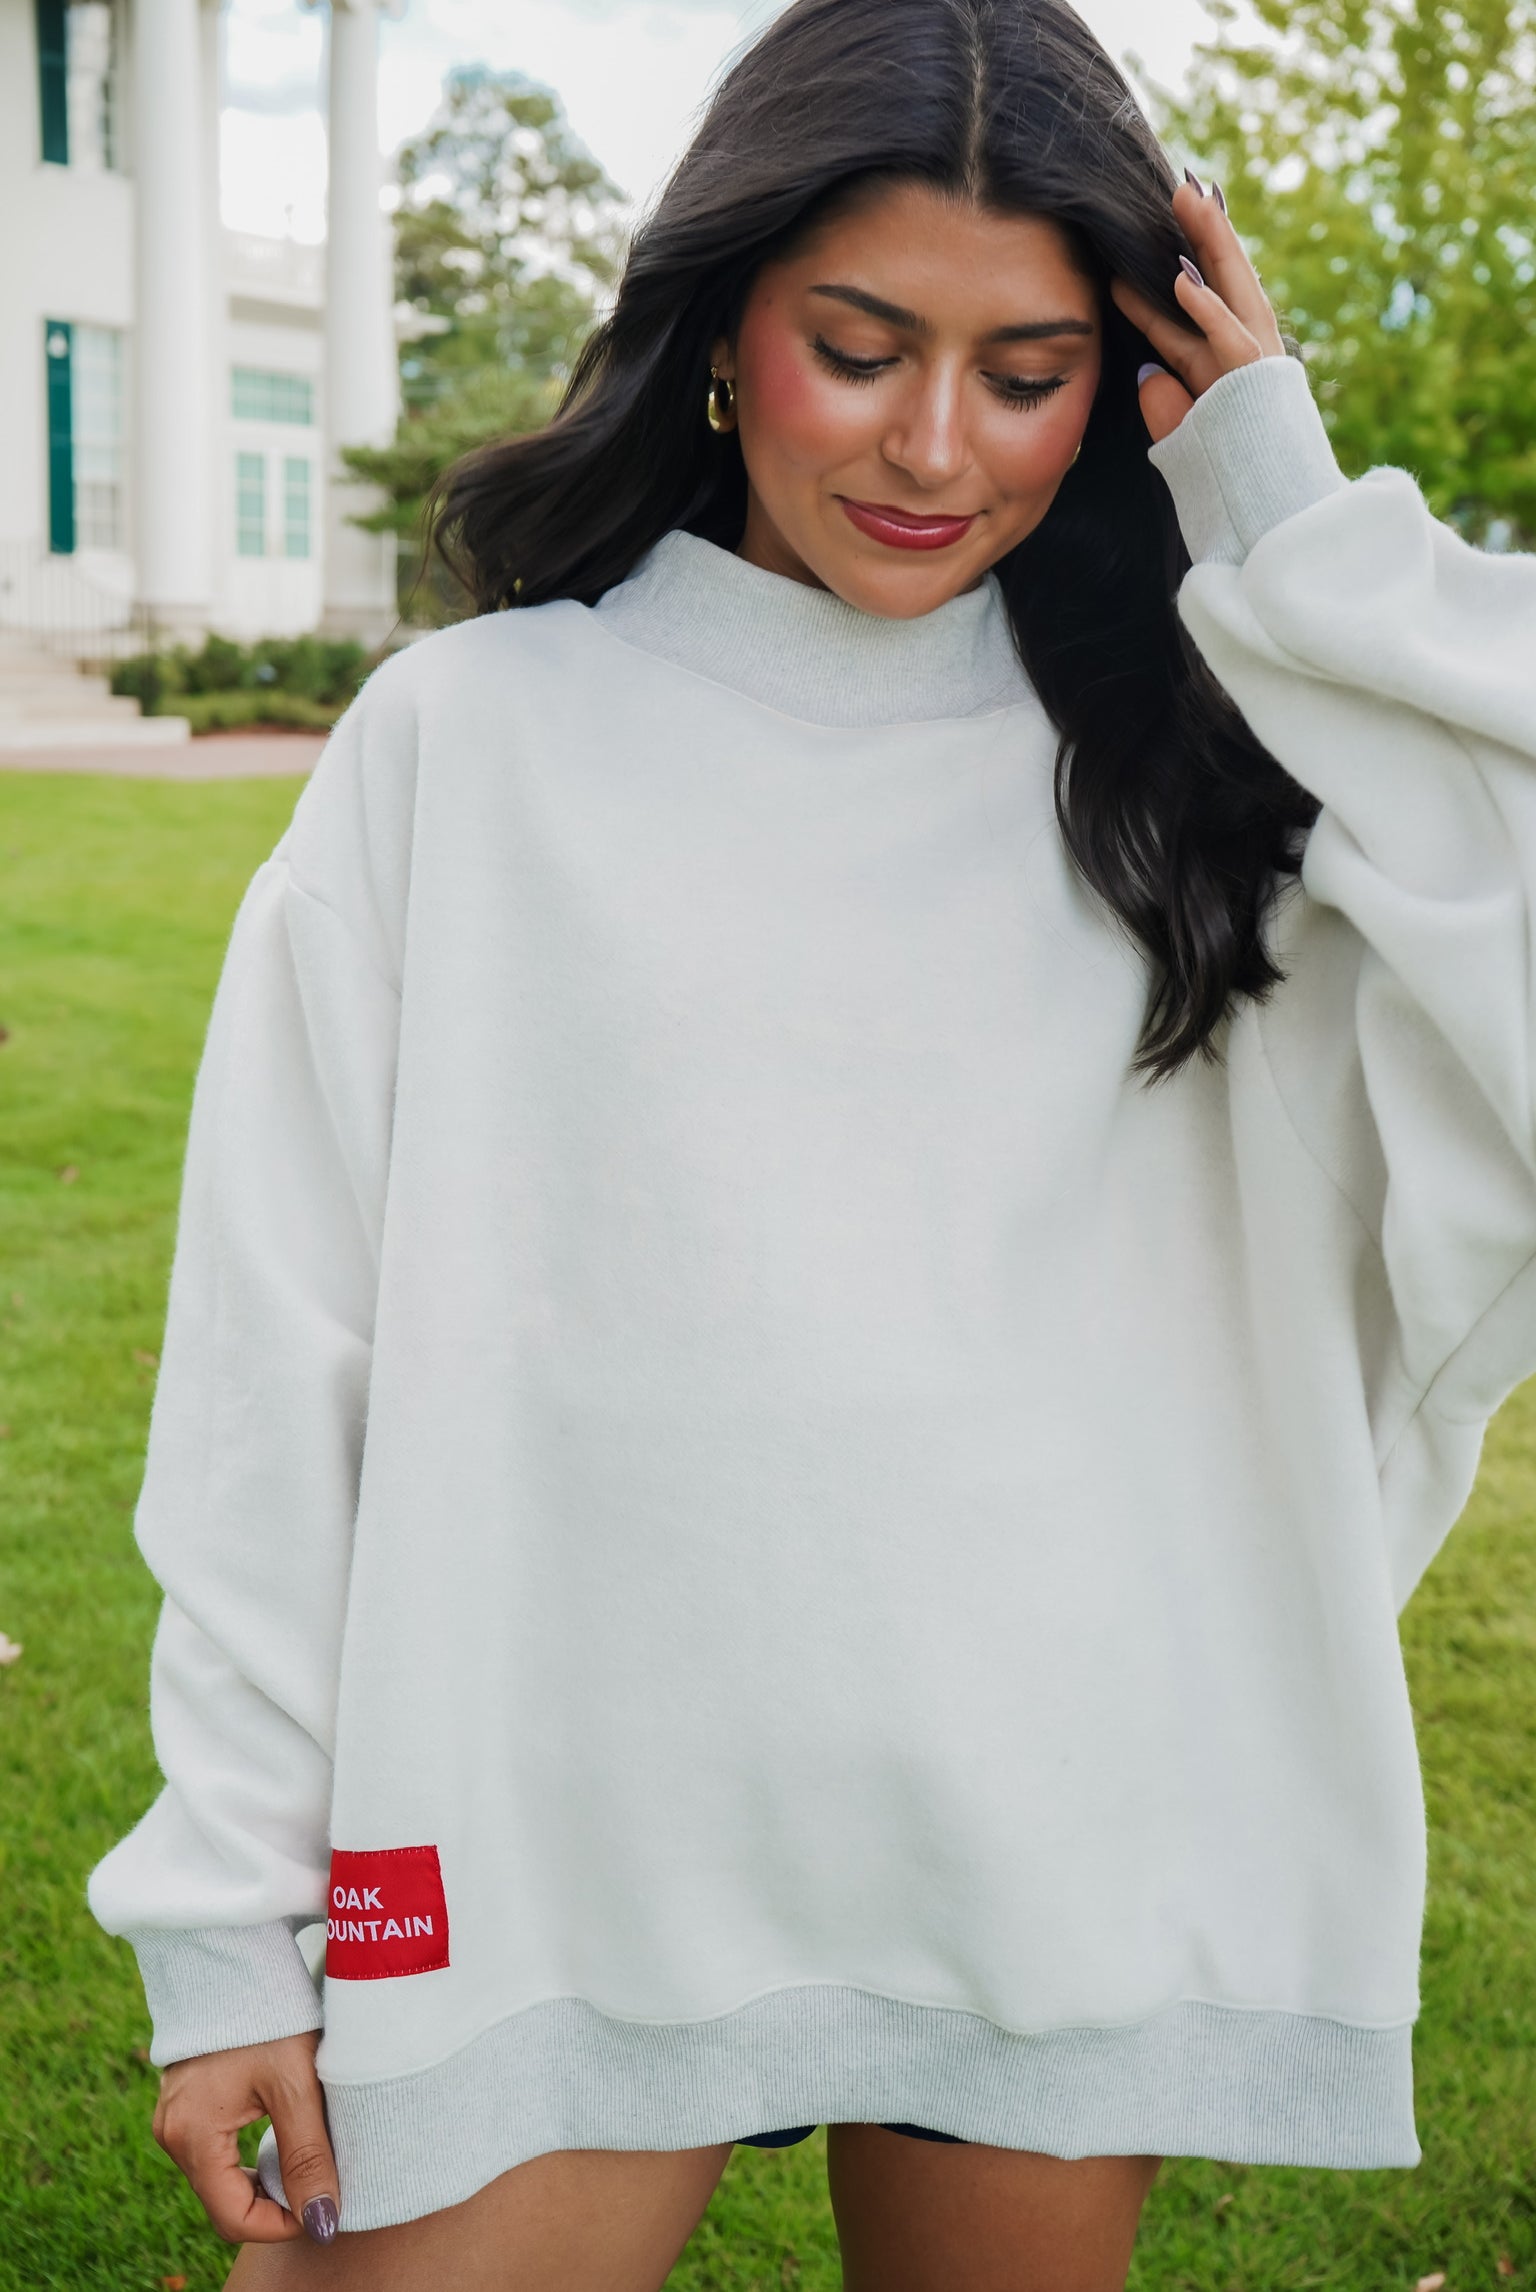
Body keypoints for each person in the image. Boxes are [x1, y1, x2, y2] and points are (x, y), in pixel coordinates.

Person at [86, 0, 1536, 2285]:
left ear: (1124, 378)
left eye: (1029, 372)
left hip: (1048, 1824)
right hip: (548, 1822)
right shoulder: (473, 745)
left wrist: (1289, 521)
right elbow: (285, 1349)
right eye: (859, 349)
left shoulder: (1206, 771)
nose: (934, 446)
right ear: (722, 327)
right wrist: (227, 1923)